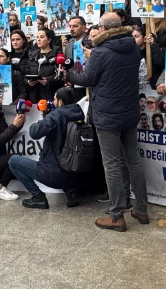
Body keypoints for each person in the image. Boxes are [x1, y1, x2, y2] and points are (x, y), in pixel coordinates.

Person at [64, 14, 149, 232]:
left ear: (103, 28)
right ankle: (141, 209)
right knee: (133, 161)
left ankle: (116, 215)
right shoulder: (132, 46)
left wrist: (68, 74)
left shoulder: (101, 52)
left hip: (107, 115)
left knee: (111, 164)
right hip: (129, 112)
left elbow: (87, 79)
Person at [8, 86, 87, 209]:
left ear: (60, 102)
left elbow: (34, 132)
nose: (53, 102)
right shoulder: (79, 114)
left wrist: (44, 118)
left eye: (55, 99)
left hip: (54, 174)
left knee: (13, 161)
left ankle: (38, 197)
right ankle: (71, 192)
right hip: (76, 174)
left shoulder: (56, 115)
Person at [25, 28, 63, 100]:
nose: (38, 39)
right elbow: (26, 73)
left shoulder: (57, 55)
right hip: (35, 96)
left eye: (42, 37)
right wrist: (28, 81)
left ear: (49, 40)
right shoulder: (32, 55)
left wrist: (48, 80)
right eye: (37, 37)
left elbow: (61, 74)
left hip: (51, 94)